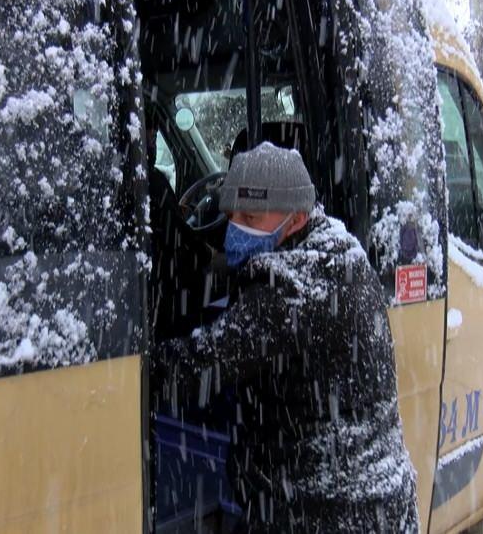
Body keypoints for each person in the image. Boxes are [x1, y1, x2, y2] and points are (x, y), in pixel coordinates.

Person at [153, 142, 419, 532]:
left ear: (295, 218)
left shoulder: (293, 286)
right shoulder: (338, 251)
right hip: (369, 499)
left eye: (251, 216)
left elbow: (203, 365)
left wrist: (131, 369)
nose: (236, 229)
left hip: (327, 512)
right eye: (230, 216)